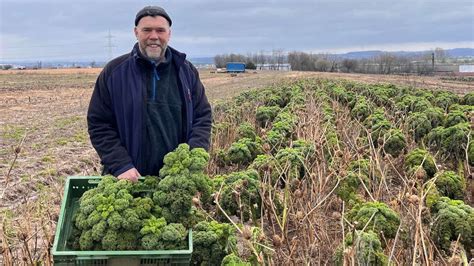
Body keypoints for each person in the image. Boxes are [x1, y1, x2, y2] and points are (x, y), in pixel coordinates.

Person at [87, 6, 212, 182]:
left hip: (175, 181)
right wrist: (121, 165)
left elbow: (203, 116)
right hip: (127, 179)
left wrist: (191, 160)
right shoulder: (114, 72)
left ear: (169, 34)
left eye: (160, 30)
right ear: (136, 32)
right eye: (147, 30)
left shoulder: (186, 71)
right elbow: (99, 123)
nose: (154, 36)